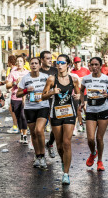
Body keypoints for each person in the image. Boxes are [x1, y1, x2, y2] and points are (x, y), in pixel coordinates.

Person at [42, 54, 80, 185]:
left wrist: (77, 97)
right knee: (59, 145)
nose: (59, 65)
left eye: (62, 63)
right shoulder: (52, 79)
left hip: (69, 113)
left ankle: (66, 174)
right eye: (57, 62)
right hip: (56, 113)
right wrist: (52, 92)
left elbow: (78, 93)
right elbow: (43, 96)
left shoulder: (74, 79)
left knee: (66, 142)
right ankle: (64, 161)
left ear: (68, 65)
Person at [80, 57, 108, 171]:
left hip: (103, 109)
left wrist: (107, 95)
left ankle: (99, 161)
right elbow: (81, 90)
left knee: (99, 138)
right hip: (90, 109)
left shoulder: (107, 79)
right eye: (92, 65)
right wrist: (82, 102)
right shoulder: (86, 79)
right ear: (89, 66)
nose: (94, 67)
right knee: (90, 139)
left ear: (100, 66)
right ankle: (93, 153)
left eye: (96, 65)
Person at [17, 57, 50, 168]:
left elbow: (51, 90)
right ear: (29, 66)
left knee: (39, 130)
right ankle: (37, 156)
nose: (34, 65)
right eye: (32, 64)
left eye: (36, 63)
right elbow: (18, 94)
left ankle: (43, 156)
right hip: (30, 108)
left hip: (43, 106)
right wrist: (26, 90)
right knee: (33, 133)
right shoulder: (25, 78)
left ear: (40, 65)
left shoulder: (45, 77)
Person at [6, 55, 29, 144]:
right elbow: (7, 85)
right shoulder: (13, 73)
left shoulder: (28, 73)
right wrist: (15, 82)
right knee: (18, 117)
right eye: (18, 61)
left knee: (24, 116)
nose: (19, 63)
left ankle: (25, 134)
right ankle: (21, 133)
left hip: (25, 97)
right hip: (15, 97)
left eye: (21, 61)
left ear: (24, 63)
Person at [39, 51, 58, 158]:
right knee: (39, 128)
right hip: (40, 101)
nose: (50, 60)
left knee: (55, 128)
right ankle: (39, 152)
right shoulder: (38, 70)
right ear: (42, 60)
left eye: (51, 58)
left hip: (53, 101)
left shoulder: (55, 70)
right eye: (47, 58)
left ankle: (50, 144)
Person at [71, 57, 91, 132]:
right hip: (76, 93)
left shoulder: (85, 70)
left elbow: (90, 79)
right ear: (73, 63)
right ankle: (79, 125)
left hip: (84, 92)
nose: (77, 64)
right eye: (76, 62)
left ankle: (89, 123)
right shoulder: (71, 72)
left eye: (78, 62)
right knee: (77, 110)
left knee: (85, 108)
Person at [5, 55, 19, 133]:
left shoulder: (13, 70)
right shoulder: (16, 70)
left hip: (15, 93)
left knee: (12, 109)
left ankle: (15, 126)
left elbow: (9, 83)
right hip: (18, 93)